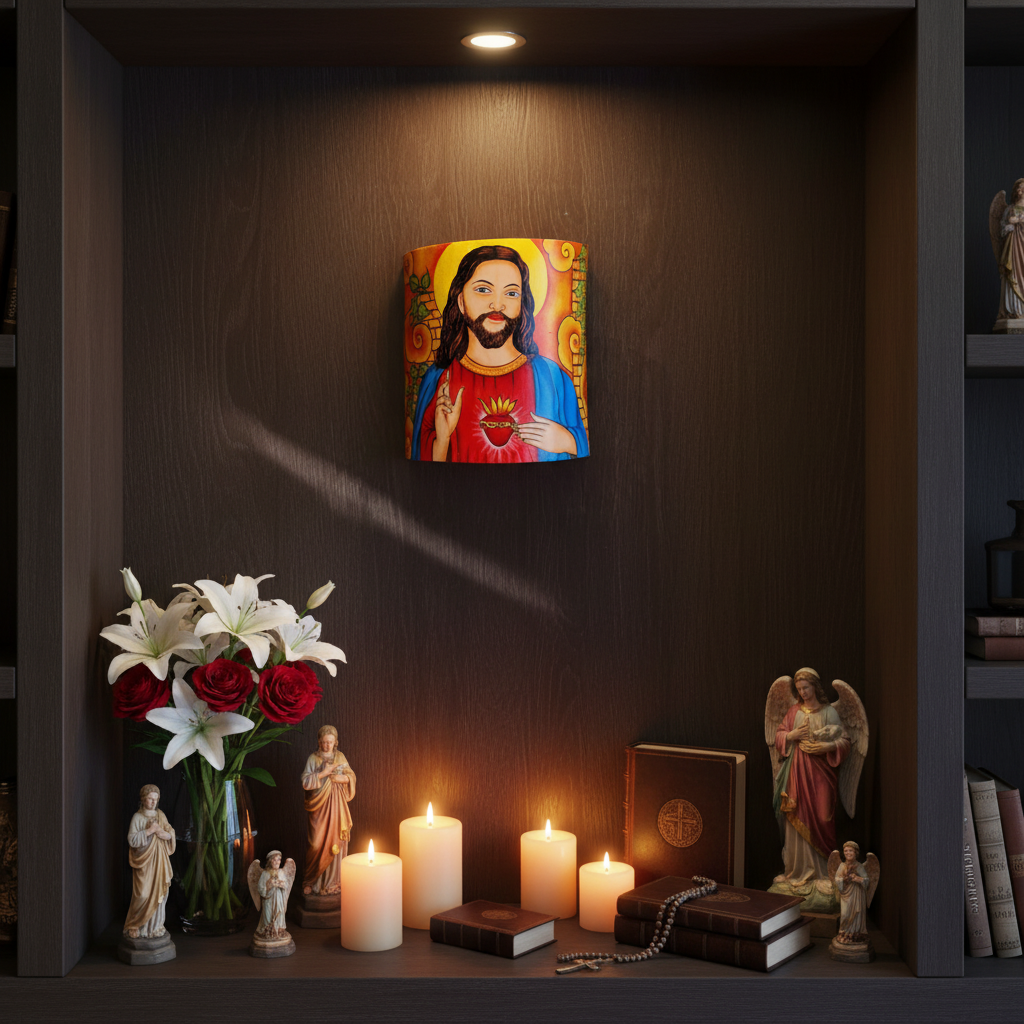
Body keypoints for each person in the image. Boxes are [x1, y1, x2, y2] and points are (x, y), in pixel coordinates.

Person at [410, 244, 589, 463]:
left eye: (511, 293)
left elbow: (581, 447)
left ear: (521, 304)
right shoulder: (438, 380)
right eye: (483, 289)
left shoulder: (552, 378)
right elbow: (421, 462)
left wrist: (568, 441)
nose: (498, 304)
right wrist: (442, 439)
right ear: (461, 301)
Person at [772, 668, 850, 886]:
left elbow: (845, 741)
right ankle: (796, 872)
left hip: (821, 774)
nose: (803, 692)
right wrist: (791, 735)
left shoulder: (828, 712)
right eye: (799, 689)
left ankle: (825, 872)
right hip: (797, 772)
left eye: (806, 687)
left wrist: (826, 746)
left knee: (824, 816)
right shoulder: (794, 711)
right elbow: (779, 734)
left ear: (815, 686)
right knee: (796, 814)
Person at [301, 725, 355, 895]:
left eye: (330, 742)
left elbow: (351, 776)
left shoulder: (340, 757)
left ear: (335, 742)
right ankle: (312, 880)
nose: (327, 745)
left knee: (336, 841)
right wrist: (323, 774)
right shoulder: (313, 759)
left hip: (336, 806)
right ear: (319, 742)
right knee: (316, 844)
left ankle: (333, 882)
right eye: (324, 742)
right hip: (318, 807)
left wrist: (342, 778)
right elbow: (305, 781)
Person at [124, 784, 175, 939]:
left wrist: (162, 832)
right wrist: (149, 831)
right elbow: (132, 840)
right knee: (143, 895)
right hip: (144, 863)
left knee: (160, 895)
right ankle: (135, 924)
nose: (153, 802)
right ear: (143, 799)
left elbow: (170, 834)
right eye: (150, 799)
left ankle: (155, 927)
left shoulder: (160, 815)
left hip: (160, 861)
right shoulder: (138, 818)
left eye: (156, 799)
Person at [997, 178, 1024, 322]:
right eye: (1019, 188)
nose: (1021, 191)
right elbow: (1002, 228)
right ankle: (1015, 309)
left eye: (1023, 188)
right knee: (1012, 272)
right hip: (1013, 246)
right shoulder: (1010, 209)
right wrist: (1011, 225)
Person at [834, 841, 869, 943]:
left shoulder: (859, 866)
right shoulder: (842, 866)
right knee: (845, 914)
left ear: (855, 853)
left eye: (850, 851)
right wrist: (844, 879)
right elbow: (837, 879)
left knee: (856, 913)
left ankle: (854, 934)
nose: (848, 853)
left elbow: (866, 881)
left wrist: (857, 878)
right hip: (846, 894)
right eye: (845, 851)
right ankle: (844, 932)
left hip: (857, 894)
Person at [255, 851, 289, 939]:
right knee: (268, 914)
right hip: (268, 899)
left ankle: (278, 931)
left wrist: (280, 884)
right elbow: (260, 888)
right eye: (274, 860)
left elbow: (286, 885)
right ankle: (268, 933)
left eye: (279, 860)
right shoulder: (265, 873)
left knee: (279, 913)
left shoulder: (281, 872)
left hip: (279, 899)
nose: (277, 862)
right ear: (270, 861)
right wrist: (269, 885)